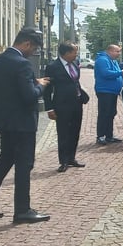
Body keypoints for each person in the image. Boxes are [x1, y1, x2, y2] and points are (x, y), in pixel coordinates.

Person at [0, 27, 50, 223]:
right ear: (27, 44)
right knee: (24, 166)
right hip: (22, 123)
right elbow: (28, 95)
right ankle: (22, 210)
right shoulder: (22, 64)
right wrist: (40, 85)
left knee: (4, 161)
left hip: (5, 121)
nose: (33, 53)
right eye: (34, 48)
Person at [44, 41, 89, 172]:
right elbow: (47, 90)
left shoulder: (75, 64)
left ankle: (71, 158)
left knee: (75, 131)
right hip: (62, 105)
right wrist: (49, 108)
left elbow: (75, 82)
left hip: (77, 103)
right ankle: (63, 161)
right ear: (67, 53)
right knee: (63, 133)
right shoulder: (53, 67)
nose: (76, 54)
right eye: (74, 52)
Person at [93, 44, 123, 145]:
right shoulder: (102, 60)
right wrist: (120, 73)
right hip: (105, 91)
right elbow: (105, 73)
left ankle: (109, 136)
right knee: (104, 113)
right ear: (110, 51)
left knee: (111, 113)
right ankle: (100, 136)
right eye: (117, 51)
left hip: (112, 92)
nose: (119, 54)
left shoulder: (113, 60)